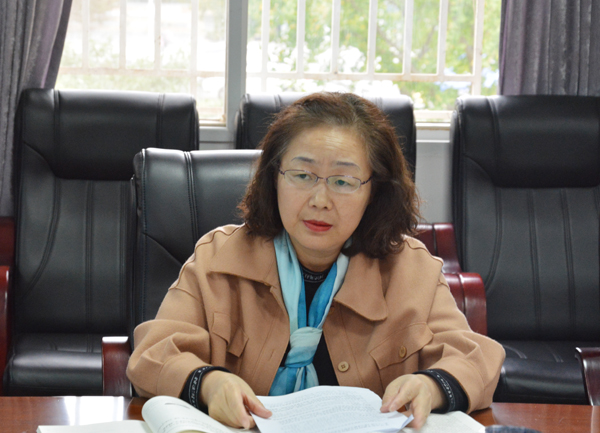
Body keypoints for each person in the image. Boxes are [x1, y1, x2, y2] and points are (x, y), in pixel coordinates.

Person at [127, 92, 505, 430]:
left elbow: (476, 361)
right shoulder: (218, 258)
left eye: (343, 182)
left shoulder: (411, 270)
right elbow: (152, 355)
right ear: (274, 177)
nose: (320, 200)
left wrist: (432, 386)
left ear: (374, 191)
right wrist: (208, 383)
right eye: (302, 175)